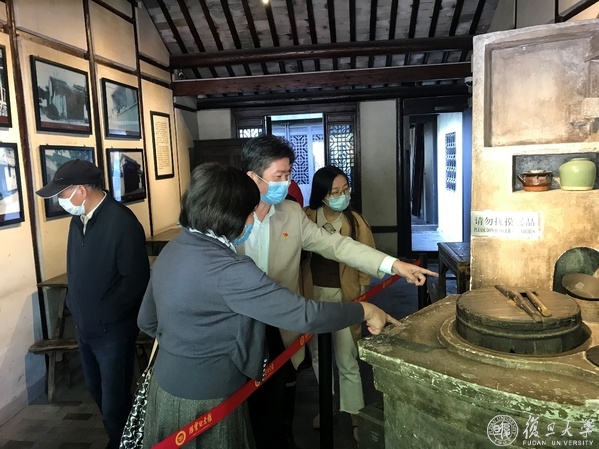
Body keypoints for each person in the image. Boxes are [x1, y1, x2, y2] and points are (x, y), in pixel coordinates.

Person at [136, 162, 400, 449]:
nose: (254, 218)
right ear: (228, 213)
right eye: (250, 211)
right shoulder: (232, 269)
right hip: (210, 399)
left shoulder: (176, 247)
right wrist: (364, 310)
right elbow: (305, 315)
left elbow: (147, 320)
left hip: (164, 387)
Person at [238, 135, 437, 449]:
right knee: (244, 406)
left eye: (289, 174)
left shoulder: (291, 213)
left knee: (282, 398)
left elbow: (337, 246)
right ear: (253, 176)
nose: (287, 183)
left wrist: (393, 264)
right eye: (279, 176)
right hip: (240, 325)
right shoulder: (230, 214)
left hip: (281, 325)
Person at [35, 159, 150, 449]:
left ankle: (123, 442)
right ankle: (121, 437)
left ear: (82, 190)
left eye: (63, 194)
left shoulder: (122, 222)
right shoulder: (78, 220)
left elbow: (136, 280)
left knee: (114, 398)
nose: (61, 201)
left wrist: (105, 313)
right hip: (85, 327)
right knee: (96, 389)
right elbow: (75, 269)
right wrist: (76, 306)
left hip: (113, 330)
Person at [303, 165, 375, 441]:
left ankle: (355, 413)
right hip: (313, 295)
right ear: (322, 195)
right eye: (335, 192)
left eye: (345, 190)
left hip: (346, 296)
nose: (342, 195)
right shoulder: (307, 217)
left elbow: (366, 260)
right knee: (318, 356)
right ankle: (328, 404)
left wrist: (363, 295)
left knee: (347, 357)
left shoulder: (355, 222)